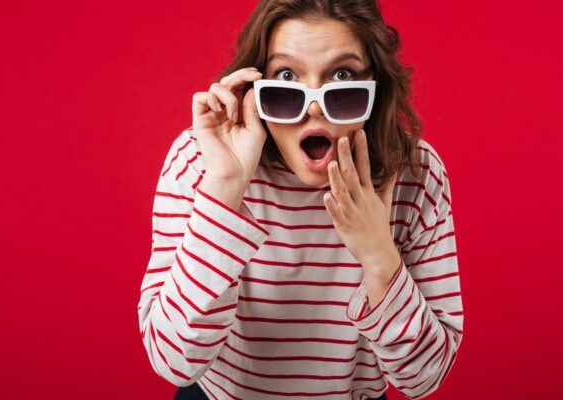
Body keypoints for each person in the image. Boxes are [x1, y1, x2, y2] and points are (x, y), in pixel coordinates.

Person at [136, 1, 464, 399]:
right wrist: (224, 188)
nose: (313, 107)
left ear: (374, 88)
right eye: (287, 75)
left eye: (342, 75)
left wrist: (379, 255)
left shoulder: (414, 173)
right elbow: (174, 361)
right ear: (255, 89)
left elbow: (423, 378)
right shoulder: (199, 160)